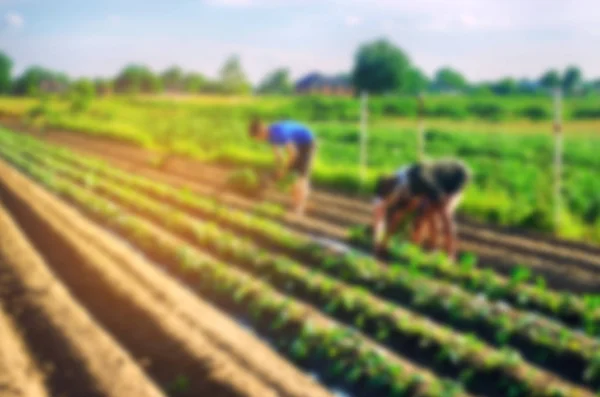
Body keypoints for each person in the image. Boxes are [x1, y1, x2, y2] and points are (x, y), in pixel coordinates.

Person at [372, 158, 470, 261]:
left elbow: (444, 216)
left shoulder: (422, 182)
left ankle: (449, 255)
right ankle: (428, 249)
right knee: (425, 212)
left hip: (456, 176)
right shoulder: (404, 186)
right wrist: (384, 243)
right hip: (432, 181)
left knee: (439, 211)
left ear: (394, 192)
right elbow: (399, 214)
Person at [249, 117, 316, 215]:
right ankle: (296, 203)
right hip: (297, 144)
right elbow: (278, 156)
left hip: (307, 144)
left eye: (258, 138)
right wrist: (278, 170)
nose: (260, 140)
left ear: (262, 130)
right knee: (292, 177)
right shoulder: (269, 135)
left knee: (301, 177)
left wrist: (285, 169)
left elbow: (293, 154)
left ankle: (299, 208)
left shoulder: (279, 132)